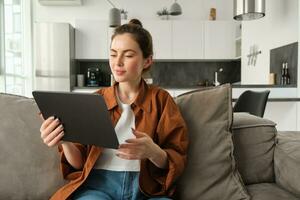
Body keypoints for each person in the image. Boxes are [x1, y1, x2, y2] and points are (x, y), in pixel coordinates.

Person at [39, 19, 188, 200]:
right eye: (113, 54)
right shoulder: (93, 101)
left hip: (146, 191)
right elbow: (78, 165)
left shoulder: (162, 100)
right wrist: (65, 140)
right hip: (98, 188)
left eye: (128, 55)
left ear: (147, 61)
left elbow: (177, 160)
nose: (118, 62)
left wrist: (153, 151)